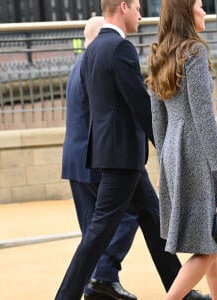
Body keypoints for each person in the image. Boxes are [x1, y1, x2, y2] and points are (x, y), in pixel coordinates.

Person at [55, 1, 210, 299]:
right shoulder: (120, 48)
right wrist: (166, 150)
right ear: (122, 7)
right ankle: (65, 296)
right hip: (122, 159)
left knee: (151, 218)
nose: (141, 13)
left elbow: (99, 109)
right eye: (137, 7)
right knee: (99, 232)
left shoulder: (93, 51)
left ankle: (180, 289)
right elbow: (140, 105)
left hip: (114, 156)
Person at [146, 0, 217, 299]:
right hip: (197, 152)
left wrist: (163, 165)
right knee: (208, 242)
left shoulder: (160, 55)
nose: (205, 11)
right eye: (199, 5)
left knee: (215, 235)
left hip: (174, 148)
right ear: (187, 12)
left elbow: (158, 121)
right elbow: (202, 116)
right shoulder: (195, 53)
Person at [62, 16, 139, 300]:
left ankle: (94, 285)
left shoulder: (77, 65)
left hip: (73, 157)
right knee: (127, 216)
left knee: (91, 231)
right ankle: (103, 275)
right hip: (93, 157)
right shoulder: (96, 64)